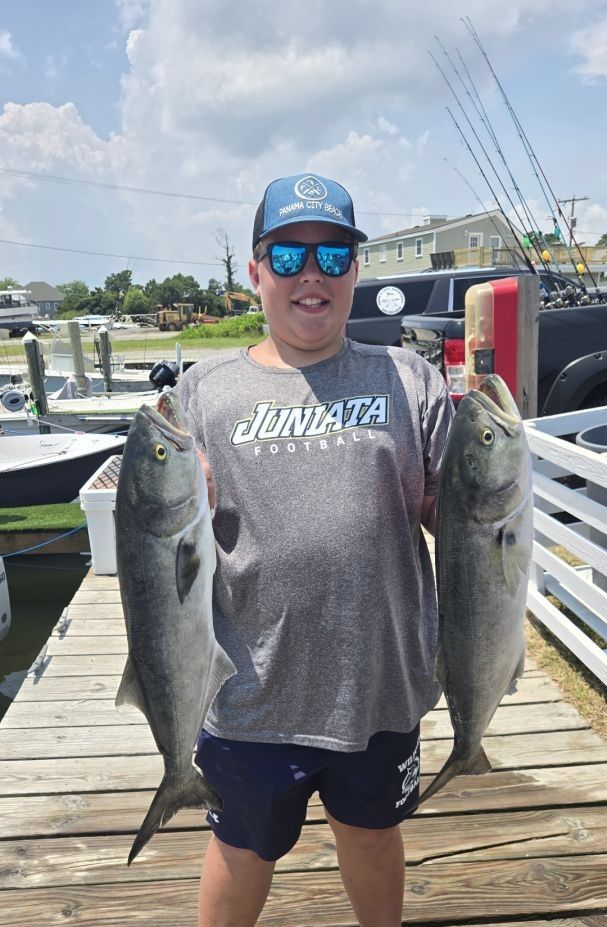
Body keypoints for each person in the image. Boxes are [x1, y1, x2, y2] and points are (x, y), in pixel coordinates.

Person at [175, 172, 453, 927]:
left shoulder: (410, 380)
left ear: (355, 270)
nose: (311, 274)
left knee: (372, 835)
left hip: (379, 683)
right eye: (288, 255)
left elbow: (456, 520)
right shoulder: (203, 391)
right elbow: (165, 539)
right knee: (241, 846)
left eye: (332, 256)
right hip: (249, 690)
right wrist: (183, 503)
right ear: (255, 271)